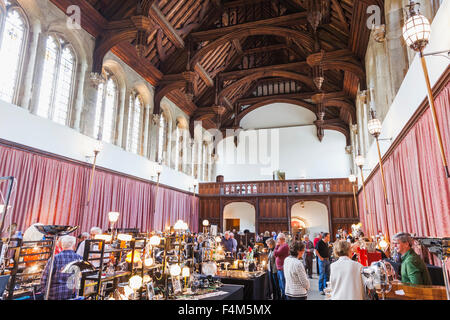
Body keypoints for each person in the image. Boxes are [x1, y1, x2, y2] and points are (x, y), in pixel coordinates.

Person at [40, 235, 83, 300]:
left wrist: (44, 292)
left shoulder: (54, 258)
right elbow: (80, 277)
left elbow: (44, 278)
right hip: (71, 293)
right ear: (73, 245)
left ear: (62, 245)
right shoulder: (79, 258)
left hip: (54, 294)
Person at [273, 233, 289, 299]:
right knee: (281, 285)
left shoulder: (284, 246)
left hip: (282, 268)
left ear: (281, 239)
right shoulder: (282, 245)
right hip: (280, 268)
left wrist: (276, 246)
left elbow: (275, 253)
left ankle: (285, 298)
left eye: (278, 239)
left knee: (283, 285)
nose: (277, 240)